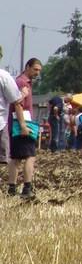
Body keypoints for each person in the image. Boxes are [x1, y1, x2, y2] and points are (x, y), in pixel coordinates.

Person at [7, 58, 42, 198]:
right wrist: (23, 126)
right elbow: (18, 105)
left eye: (39, 71)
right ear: (27, 67)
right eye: (35, 69)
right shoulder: (22, 83)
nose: (37, 73)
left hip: (16, 123)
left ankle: (11, 188)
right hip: (22, 123)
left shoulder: (22, 82)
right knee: (30, 156)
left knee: (16, 157)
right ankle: (27, 188)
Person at [1, 68, 24, 167]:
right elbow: (16, 101)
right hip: (1, 125)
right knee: (2, 162)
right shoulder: (3, 76)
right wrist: (23, 94)